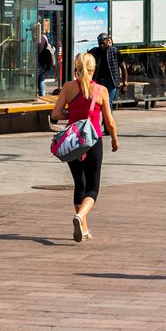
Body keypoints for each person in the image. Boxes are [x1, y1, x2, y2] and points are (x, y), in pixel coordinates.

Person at [49, 51, 119, 242]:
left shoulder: (68, 87)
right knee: (93, 187)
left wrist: (71, 116)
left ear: (77, 68)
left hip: (73, 141)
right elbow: (110, 122)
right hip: (93, 140)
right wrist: (115, 140)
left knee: (79, 184)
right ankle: (80, 217)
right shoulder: (101, 90)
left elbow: (55, 114)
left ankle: (84, 228)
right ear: (92, 69)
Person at [88, 32, 123, 106]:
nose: (101, 45)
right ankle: (94, 116)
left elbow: (123, 67)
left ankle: (107, 117)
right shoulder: (94, 51)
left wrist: (125, 83)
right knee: (94, 101)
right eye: (99, 43)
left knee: (107, 102)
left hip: (111, 81)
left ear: (108, 41)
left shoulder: (115, 51)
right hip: (98, 81)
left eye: (103, 43)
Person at [35, 21, 56, 97]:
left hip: (38, 64)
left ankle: (36, 96)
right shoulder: (44, 37)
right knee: (41, 81)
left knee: (34, 81)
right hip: (44, 64)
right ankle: (42, 96)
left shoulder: (35, 40)